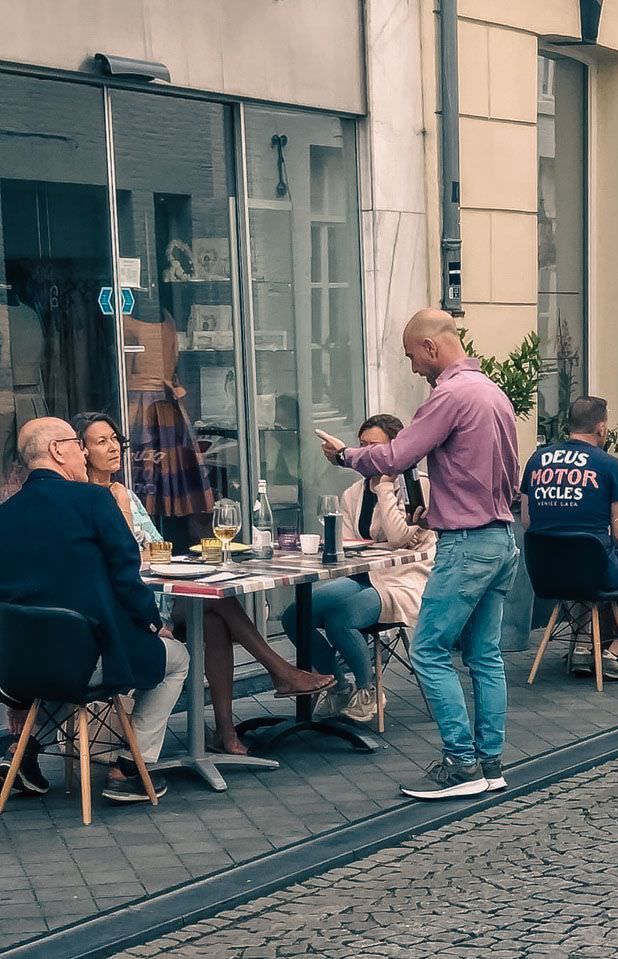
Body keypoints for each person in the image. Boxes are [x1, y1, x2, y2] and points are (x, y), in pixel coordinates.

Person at [317, 308, 519, 801]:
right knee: (484, 655)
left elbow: (394, 457)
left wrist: (345, 455)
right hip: (502, 538)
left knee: (429, 650)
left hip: (467, 545)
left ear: (431, 347)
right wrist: (449, 507)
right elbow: (511, 473)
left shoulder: (448, 395)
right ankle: (489, 762)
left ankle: (460, 765)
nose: (412, 368)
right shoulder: (493, 392)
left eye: (411, 356)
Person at [72, 412, 335, 756]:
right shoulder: (89, 499)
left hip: (158, 593)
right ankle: (278, 672)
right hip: (136, 605)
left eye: (115, 440)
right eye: (101, 441)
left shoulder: (125, 493)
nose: (113, 448)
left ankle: (225, 731)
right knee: (214, 601)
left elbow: (153, 544)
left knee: (213, 614)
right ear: (83, 450)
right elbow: (125, 559)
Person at [0, 417, 188, 803]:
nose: (83, 453)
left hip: (22, 664)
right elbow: (126, 575)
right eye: (76, 443)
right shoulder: (93, 500)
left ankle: (23, 757)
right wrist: (153, 624)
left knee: (62, 654)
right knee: (178, 658)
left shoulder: (6, 514)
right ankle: (129, 768)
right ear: (56, 450)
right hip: (90, 659)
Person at [281, 414, 436, 724]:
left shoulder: (419, 488)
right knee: (295, 614)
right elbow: (349, 541)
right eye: (361, 446)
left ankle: (368, 692)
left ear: (396, 449)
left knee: (342, 619)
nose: (365, 454)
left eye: (374, 447)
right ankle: (337, 684)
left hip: (404, 580)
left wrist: (384, 488)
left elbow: (400, 536)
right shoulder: (353, 493)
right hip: (363, 576)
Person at [521, 396, 618, 680]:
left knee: (578, 558)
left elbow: (528, 521)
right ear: (602, 428)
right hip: (595, 571)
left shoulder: (536, 460)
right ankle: (615, 652)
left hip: (545, 573)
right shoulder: (607, 465)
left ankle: (582, 648)